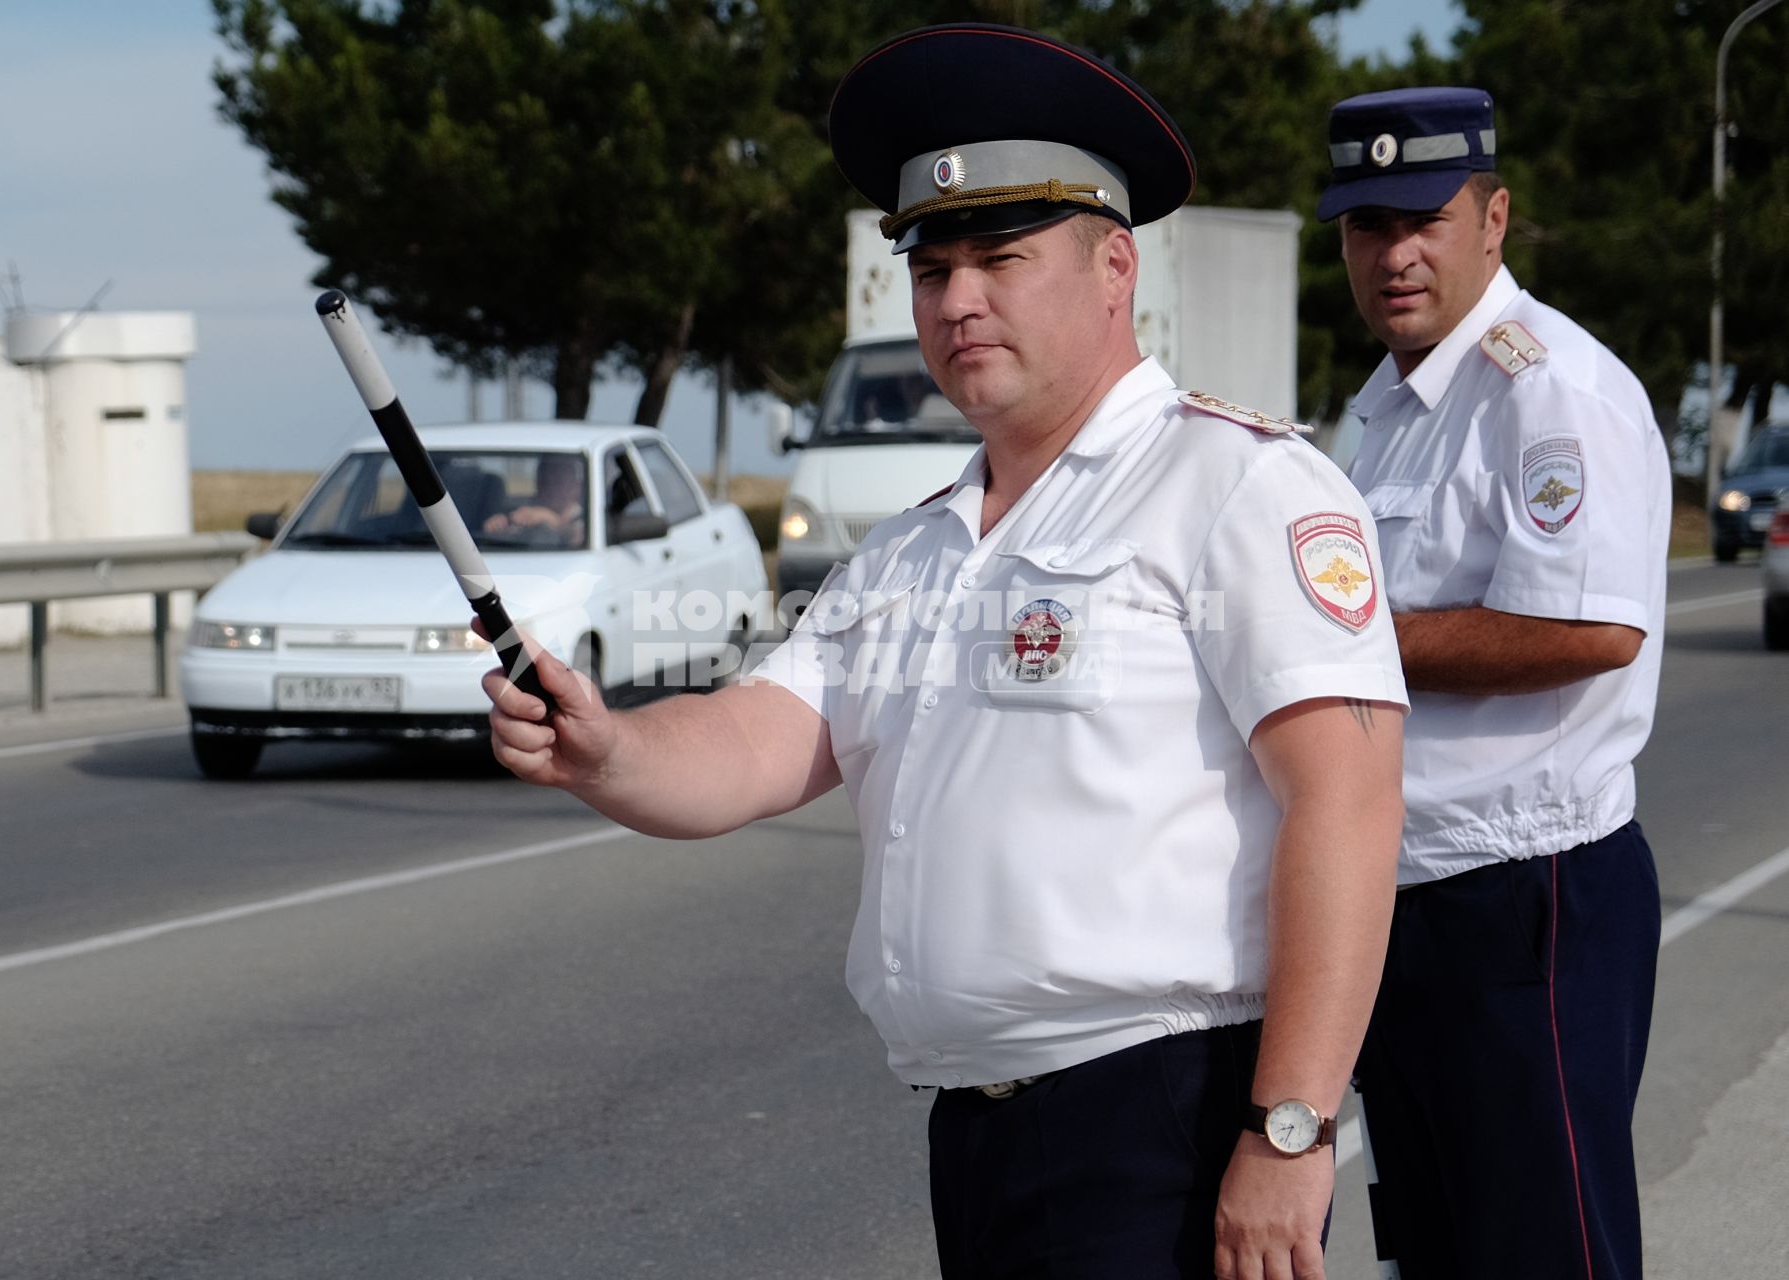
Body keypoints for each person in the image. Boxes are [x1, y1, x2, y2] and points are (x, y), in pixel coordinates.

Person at [484, 24, 1409, 1278]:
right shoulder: (916, 549)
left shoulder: (1235, 486)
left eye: (1000, 258)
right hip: (976, 1136)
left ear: (1111, 268)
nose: (956, 299)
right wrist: (605, 746)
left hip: (1162, 1117)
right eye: (931, 270)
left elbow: (1347, 805)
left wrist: (1287, 1129)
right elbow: (761, 736)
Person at [1318, 88, 1670, 1279]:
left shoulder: (1544, 388)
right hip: (1406, 896)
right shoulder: (1387, 408)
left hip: (1528, 897)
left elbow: (1588, 628)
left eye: (1421, 217)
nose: (1394, 253)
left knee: (1542, 1250)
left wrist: (1348, 643)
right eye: (1366, 226)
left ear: (1492, 216)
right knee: (1433, 1246)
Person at [483, 453, 586, 546]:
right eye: (545, 480)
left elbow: (579, 537)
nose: (550, 488)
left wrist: (551, 520)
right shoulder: (524, 509)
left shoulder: (586, 516)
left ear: (576, 488)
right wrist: (500, 525)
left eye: (558, 482)